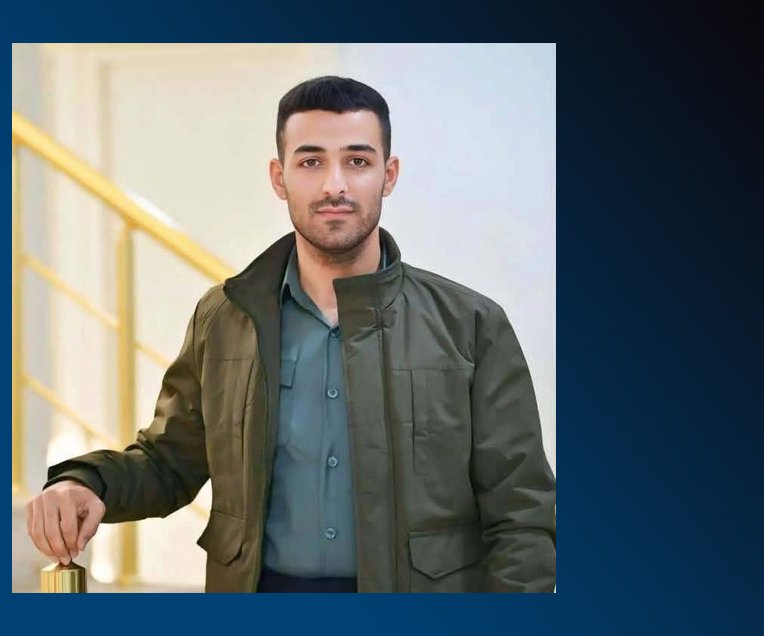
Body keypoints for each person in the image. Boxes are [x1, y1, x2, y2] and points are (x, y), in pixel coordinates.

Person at [27, 76, 556, 593]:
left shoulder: (471, 325)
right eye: (311, 162)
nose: (334, 186)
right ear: (279, 178)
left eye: (357, 161)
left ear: (389, 175)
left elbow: (523, 514)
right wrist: (86, 481)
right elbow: (170, 462)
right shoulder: (225, 319)